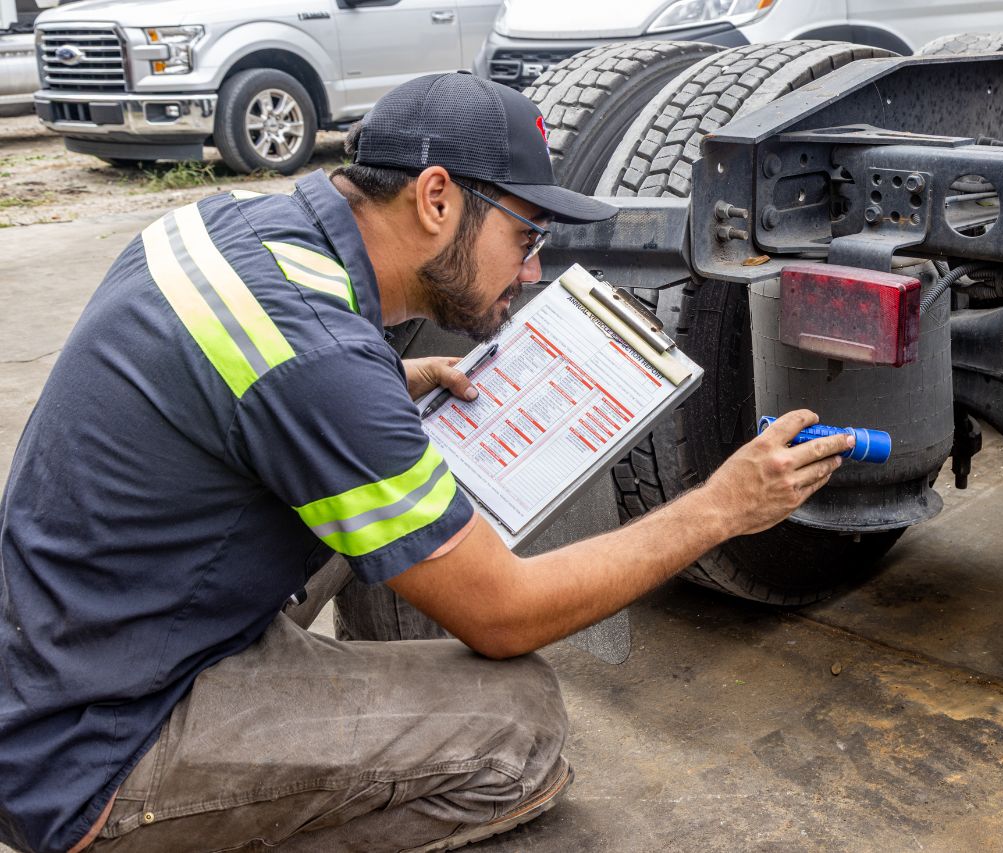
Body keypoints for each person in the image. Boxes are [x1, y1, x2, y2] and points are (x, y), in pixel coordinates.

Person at [0, 73, 854, 853]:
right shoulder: (319, 360)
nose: (532, 268)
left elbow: (269, 381)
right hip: (95, 753)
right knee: (518, 727)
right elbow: (505, 616)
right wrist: (722, 507)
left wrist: (390, 379)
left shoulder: (238, 229)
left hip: (64, 648)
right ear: (437, 199)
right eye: (525, 233)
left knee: (406, 474)